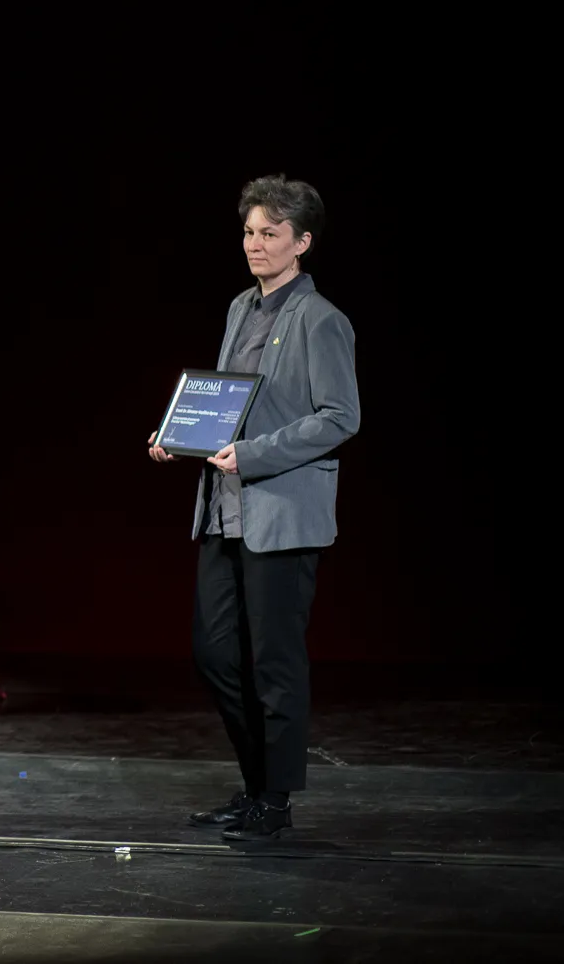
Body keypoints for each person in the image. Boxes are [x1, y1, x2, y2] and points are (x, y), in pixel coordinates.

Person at [151, 174, 360, 841]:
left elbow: (340, 416)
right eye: (249, 231)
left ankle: (275, 800)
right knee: (215, 653)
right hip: (225, 509)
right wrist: (179, 436)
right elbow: (225, 399)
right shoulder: (241, 307)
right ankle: (253, 785)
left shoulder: (322, 320)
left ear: (303, 242)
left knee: (274, 664)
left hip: (280, 511)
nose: (255, 243)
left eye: (271, 232)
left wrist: (255, 453)